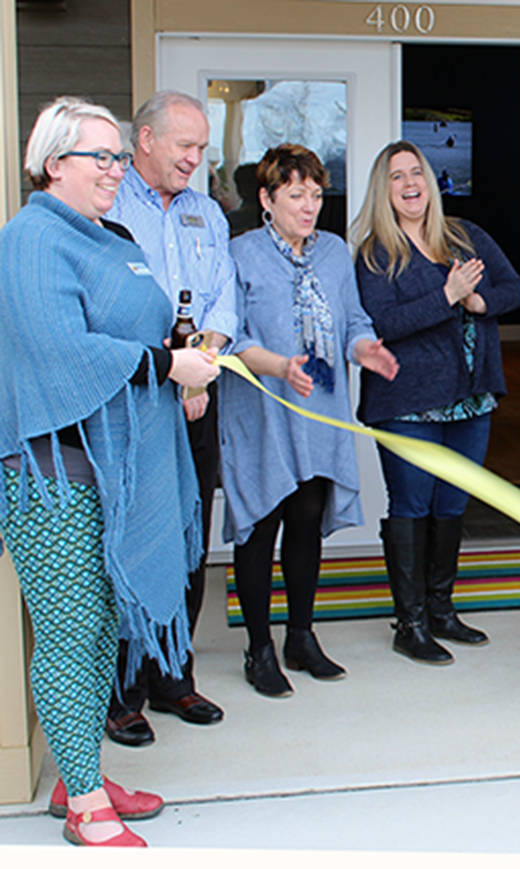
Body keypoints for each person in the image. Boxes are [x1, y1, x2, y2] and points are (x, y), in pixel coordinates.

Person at [0, 96, 219, 846]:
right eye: (103, 157)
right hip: (54, 473)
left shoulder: (109, 235)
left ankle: (77, 773)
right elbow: (58, 350)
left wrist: (186, 355)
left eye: (122, 157)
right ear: (54, 162)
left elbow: (146, 322)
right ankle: (85, 804)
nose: (117, 170)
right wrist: (164, 364)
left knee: (100, 634)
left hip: (114, 467)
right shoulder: (29, 239)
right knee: (71, 631)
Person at [221, 144, 399, 697]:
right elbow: (229, 334)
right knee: (259, 528)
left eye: (316, 194)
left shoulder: (333, 253)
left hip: (319, 412)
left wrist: (363, 347)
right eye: (295, 194)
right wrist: (279, 367)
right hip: (263, 411)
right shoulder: (240, 254)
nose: (308, 206)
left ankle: (300, 637)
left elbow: (353, 319)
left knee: (305, 524)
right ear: (267, 199)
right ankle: (258, 649)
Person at [352, 141, 520, 663]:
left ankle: (441, 610)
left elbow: (514, 289)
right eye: (396, 177)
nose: (409, 184)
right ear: (383, 190)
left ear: (430, 181)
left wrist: (479, 300)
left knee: (452, 506)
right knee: (412, 506)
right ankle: (410, 623)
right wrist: (447, 297)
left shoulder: (465, 236)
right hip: (407, 405)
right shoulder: (374, 254)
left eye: (416, 174)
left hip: (470, 401)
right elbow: (384, 324)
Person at [101, 89, 234, 746]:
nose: (195, 158)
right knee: (133, 535)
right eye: (186, 145)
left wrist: (203, 363)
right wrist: (170, 370)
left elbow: (223, 303)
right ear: (145, 141)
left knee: (188, 534)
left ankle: (172, 673)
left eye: (202, 147)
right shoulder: (104, 209)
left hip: (197, 399)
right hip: (131, 403)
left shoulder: (208, 213)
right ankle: (123, 690)